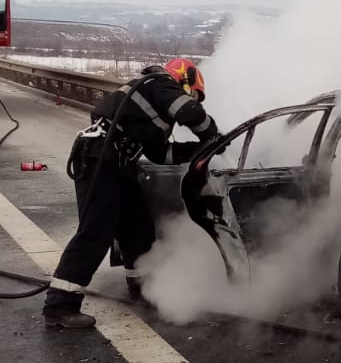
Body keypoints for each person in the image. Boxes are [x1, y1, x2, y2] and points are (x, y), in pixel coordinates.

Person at [43, 58, 219, 329]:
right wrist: (212, 134)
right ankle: (59, 305)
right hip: (100, 159)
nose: (195, 100)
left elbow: (162, 154)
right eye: (194, 94)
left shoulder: (152, 107)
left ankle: (143, 290)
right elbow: (190, 113)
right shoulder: (158, 83)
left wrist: (199, 151)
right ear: (184, 78)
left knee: (137, 227)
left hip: (118, 163)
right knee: (96, 230)